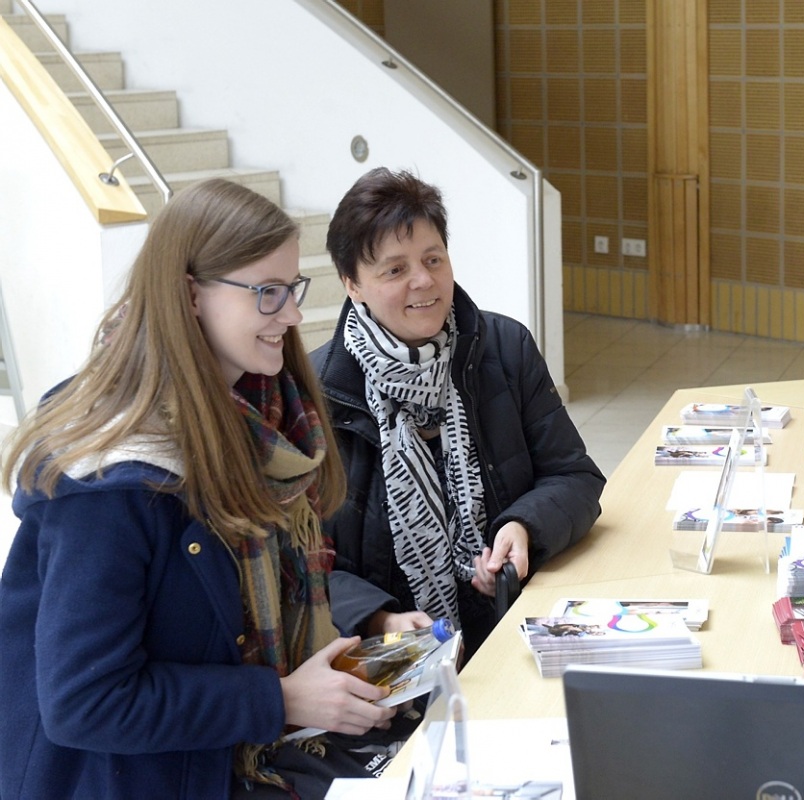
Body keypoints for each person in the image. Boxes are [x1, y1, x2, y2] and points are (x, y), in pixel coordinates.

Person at [0, 179, 401, 799]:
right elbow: (85, 702)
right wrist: (280, 698)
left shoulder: (267, 419)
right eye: (267, 294)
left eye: (292, 289)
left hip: (225, 759)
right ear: (190, 296)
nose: (292, 316)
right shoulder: (114, 480)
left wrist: (335, 669)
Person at [311, 167, 604, 659]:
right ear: (352, 285)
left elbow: (574, 476)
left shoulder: (504, 347)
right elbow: (299, 564)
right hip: (391, 657)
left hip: (509, 628)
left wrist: (523, 526)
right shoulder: (318, 392)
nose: (424, 281)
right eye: (395, 269)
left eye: (433, 259)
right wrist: (379, 617)